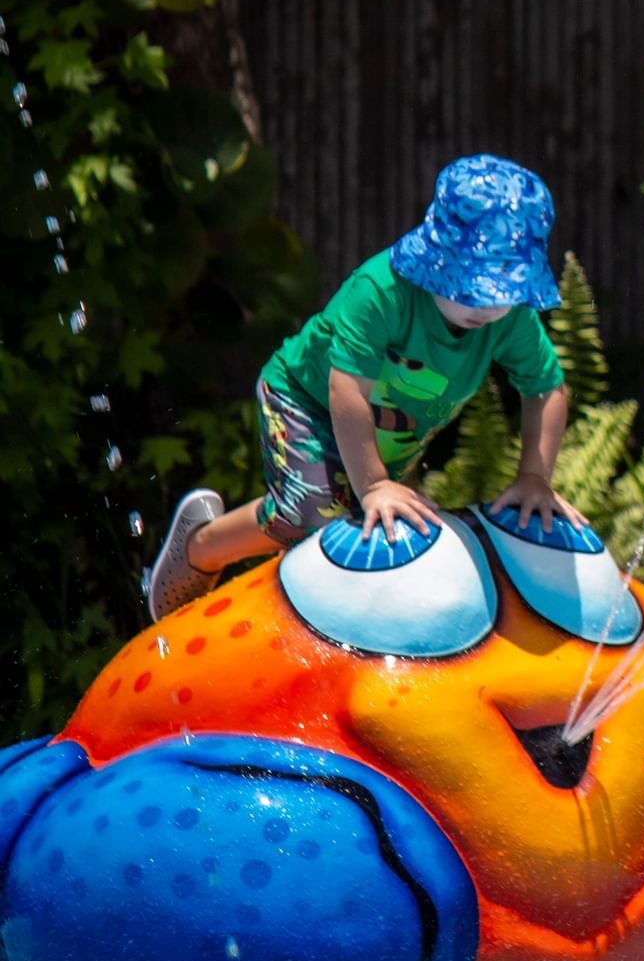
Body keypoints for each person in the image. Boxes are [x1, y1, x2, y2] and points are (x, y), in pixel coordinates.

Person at [145, 154, 589, 621]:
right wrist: (375, 482)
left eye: (500, 293)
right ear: (434, 261)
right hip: (306, 400)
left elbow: (546, 387)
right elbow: (346, 390)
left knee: (376, 531)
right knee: (310, 515)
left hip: (385, 431)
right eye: (467, 287)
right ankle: (202, 547)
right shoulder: (381, 291)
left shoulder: (510, 319)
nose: (484, 306)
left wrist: (535, 478)